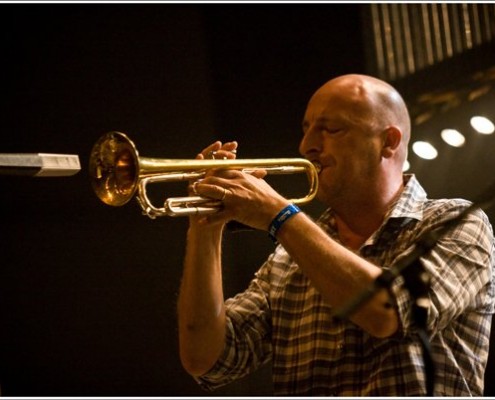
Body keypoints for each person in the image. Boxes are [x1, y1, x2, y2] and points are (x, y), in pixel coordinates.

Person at [176, 74, 495, 396]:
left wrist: (279, 215)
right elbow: (205, 359)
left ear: (389, 142)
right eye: (306, 128)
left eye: (331, 129)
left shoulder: (454, 222)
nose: (307, 145)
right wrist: (206, 226)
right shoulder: (287, 261)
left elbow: (389, 313)